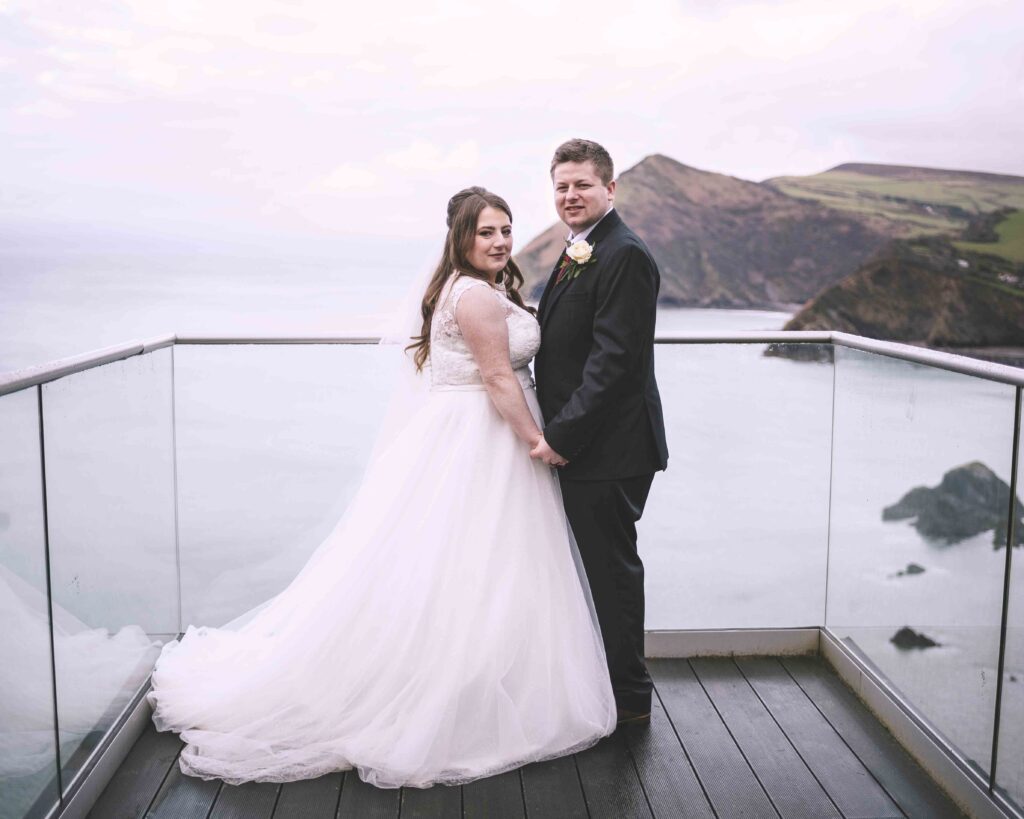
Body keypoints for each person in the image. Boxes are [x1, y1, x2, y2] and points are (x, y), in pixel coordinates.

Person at [146, 187, 616, 789]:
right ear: (461, 239)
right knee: (475, 563)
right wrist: (538, 442)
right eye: (486, 233)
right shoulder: (472, 296)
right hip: (484, 438)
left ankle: (480, 677)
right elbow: (498, 378)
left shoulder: (477, 287)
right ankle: (447, 692)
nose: (499, 242)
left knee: (477, 566)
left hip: (472, 434)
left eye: (505, 230)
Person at [532, 139, 669, 724]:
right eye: (562, 186)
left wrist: (560, 438)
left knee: (611, 574)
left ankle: (630, 700)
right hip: (590, 444)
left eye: (582, 184)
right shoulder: (582, 248)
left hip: (608, 450)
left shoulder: (624, 254)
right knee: (593, 570)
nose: (570, 195)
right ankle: (600, 686)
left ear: (610, 189)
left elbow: (614, 363)